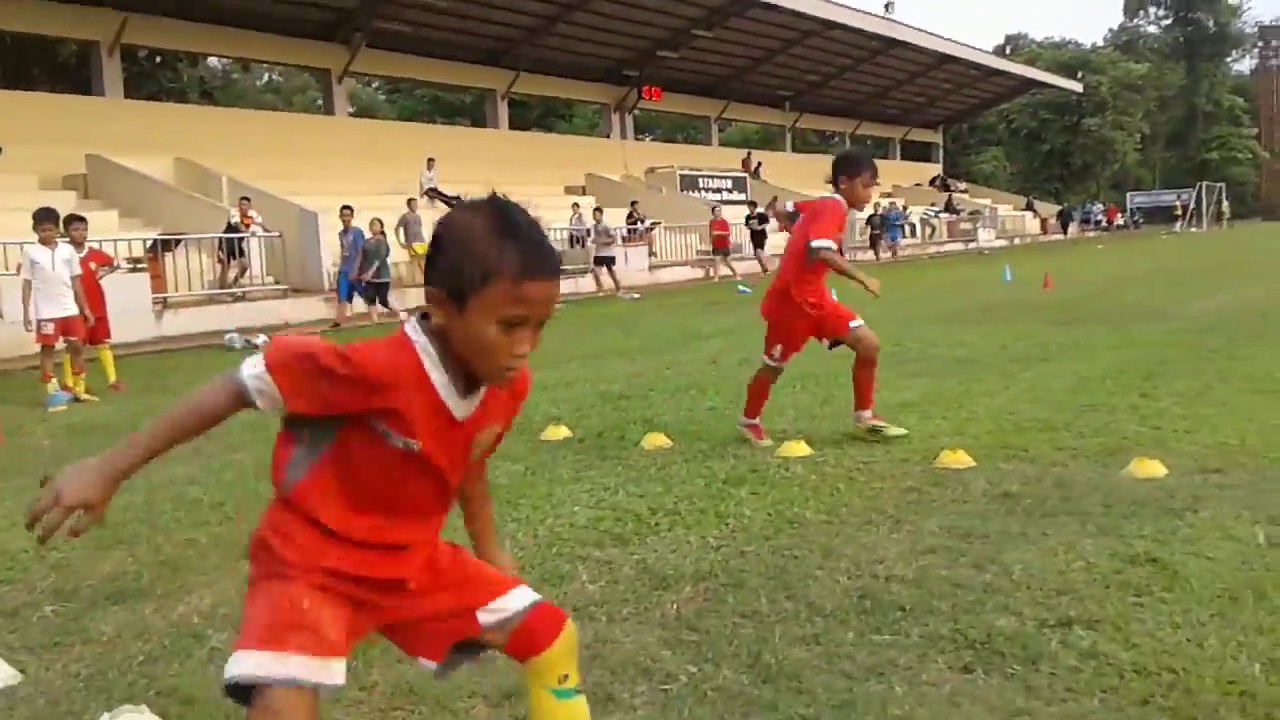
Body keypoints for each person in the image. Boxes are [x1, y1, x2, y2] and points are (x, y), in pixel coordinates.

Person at [25, 193, 591, 720]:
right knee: (281, 706)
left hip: (409, 563)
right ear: (441, 307)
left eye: (540, 326)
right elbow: (237, 387)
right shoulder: (372, 370)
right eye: (510, 326)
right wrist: (106, 469)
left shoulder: (506, 386)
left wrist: (492, 558)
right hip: (309, 565)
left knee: (550, 638)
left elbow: (467, 461)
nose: (526, 347)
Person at [736, 151, 909, 447]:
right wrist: (863, 277)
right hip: (790, 303)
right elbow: (822, 251)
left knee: (868, 344)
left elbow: (790, 209)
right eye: (865, 186)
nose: (869, 194)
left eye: (872, 186)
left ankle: (864, 417)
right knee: (773, 366)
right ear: (844, 183)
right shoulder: (831, 207)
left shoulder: (824, 204)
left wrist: (784, 217)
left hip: (817, 299)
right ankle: (749, 421)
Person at [20, 206, 94, 411]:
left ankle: (79, 389)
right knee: (48, 350)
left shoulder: (67, 251)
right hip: (46, 312)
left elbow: (76, 281)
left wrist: (85, 309)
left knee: (77, 347)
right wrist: (26, 312)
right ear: (35, 230)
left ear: (58, 230)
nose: (47, 234)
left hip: (69, 308)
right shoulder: (30, 252)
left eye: (51, 230)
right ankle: (53, 395)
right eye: (43, 230)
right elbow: (26, 283)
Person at [60, 213, 123, 393]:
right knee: (74, 346)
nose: (80, 233)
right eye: (75, 229)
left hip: (97, 306)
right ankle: (70, 383)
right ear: (66, 232)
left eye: (83, 229)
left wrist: (101, 274)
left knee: (102, 343)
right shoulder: (62, 254)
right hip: (72, 308)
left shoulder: (95, 253)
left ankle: (112, 380)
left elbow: (115, 263)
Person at [220, 196, 269, 293]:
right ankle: (222, 289)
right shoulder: (234, 212)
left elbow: (259, 223)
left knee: (245, 265)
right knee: (225, 264)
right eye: (240, 204)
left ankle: (233, 284)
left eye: (245, 205)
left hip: (237, 242)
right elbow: (238, 224)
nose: (242, 207)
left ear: (249, 206)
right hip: (227, 241)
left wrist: (269, 231)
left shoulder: (252, 214)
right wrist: (247, 232)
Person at [331, 204, 365, 329]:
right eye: (344, 216)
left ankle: (378, 316)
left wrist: (357, 268)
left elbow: (361, 251)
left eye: (348, 216)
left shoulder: (357, 232)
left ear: (352, 217)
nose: (346, 218)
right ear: (340, 217)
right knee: (342, 294)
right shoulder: (341, 234)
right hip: (344, 268)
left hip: (356, 269)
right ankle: (338, 320)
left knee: (365, 294)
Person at [359, 217, 396, 323]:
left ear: (381, 228)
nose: (373, 226)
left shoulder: (382, 242)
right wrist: (362, 272)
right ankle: (375, 322)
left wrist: (370, 272)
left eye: (375, 224)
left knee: (383, 300)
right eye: (371, 224)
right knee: (370, 299)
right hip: (369, 277)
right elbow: (362, 257)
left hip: (382, 276)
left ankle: (401, 313)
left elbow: (380, 257)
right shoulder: (366, 242)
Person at [588, 206, 622, 295]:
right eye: (593, 215)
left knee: (610, 271)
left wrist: (602, 241)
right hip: (599, 252)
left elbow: (613, 239)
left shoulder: (606, 226)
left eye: (596, 214)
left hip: (608, 252)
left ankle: (618, 287)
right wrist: (593, 241)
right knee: (595, 270)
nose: (595, 216)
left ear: (601, 215)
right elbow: (592, 239)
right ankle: (600, 288)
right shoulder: (593, 227)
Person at [394, 197, 428, 279]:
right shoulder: (405, 217)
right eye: (413, 204)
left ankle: (424, 278)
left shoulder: (418, 216)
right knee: (414, 262)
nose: (415, 206)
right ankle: (414, 279)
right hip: (411, 243)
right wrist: (400, 242)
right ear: (408, 205)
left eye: (416, 204)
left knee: (423, 261)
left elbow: (420, 229)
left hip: (421, 241)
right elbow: (397, 228)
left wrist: (424, 240)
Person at [707, 205, 738, 281]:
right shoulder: (712, 222)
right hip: (716, 245)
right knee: (716, 261)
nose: (718, 212)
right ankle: (716, 277)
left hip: (725, 244)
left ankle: (736, 274)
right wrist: (711, 239)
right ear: (713, 213)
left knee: (728, 262)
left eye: (719, 211)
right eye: (716, 211)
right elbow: (711, 233)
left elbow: (727, 233)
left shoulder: (724, 222)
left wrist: (717, 233)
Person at [744, 200, 771, 275]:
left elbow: (766, 223)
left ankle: (766, 269)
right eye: (748, 207)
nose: (749, 208)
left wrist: (760, 227)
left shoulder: (761, 215)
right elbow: (747, 226)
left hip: (761, 235)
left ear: (754, 207)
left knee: (759, 251)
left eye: (751, 207)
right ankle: (763, 268)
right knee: (757, 254)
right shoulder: (748, 217)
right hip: (753, 236)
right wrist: (749, 225)